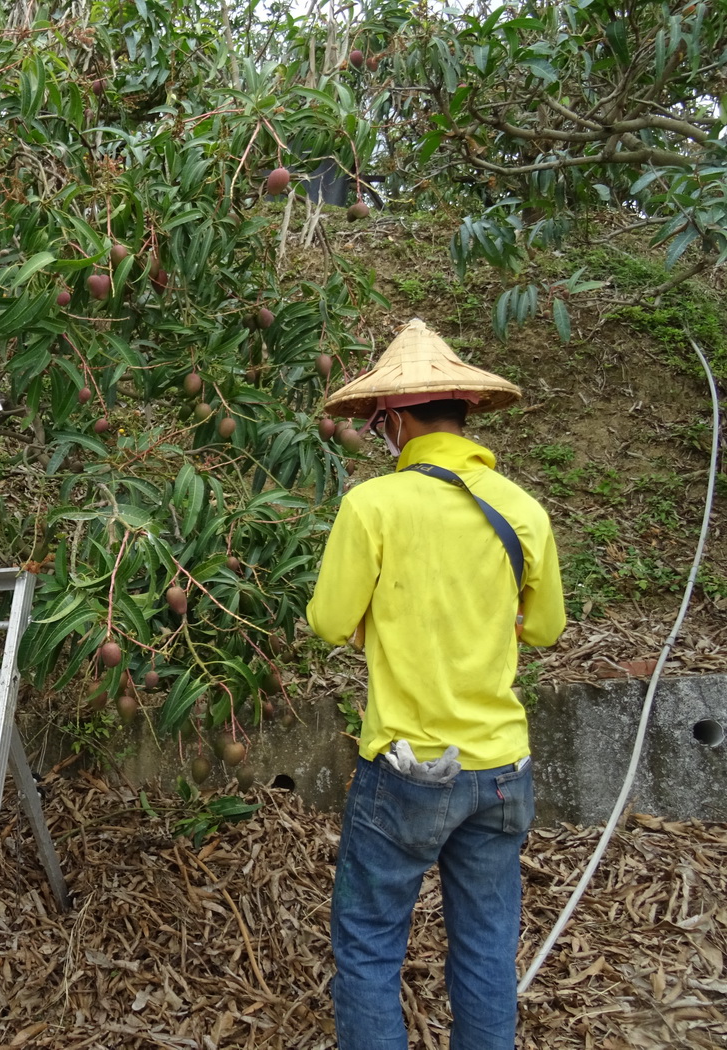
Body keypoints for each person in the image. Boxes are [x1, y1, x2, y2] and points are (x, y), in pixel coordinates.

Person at [306, 319, 565, 1050]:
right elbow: (544, 629)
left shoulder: (373, 506)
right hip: (501, 773)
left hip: (406, 773)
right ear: (465, 414)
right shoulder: (523, 509)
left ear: (392, 421)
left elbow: (329, 622)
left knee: (369, 946)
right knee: (485, 950)